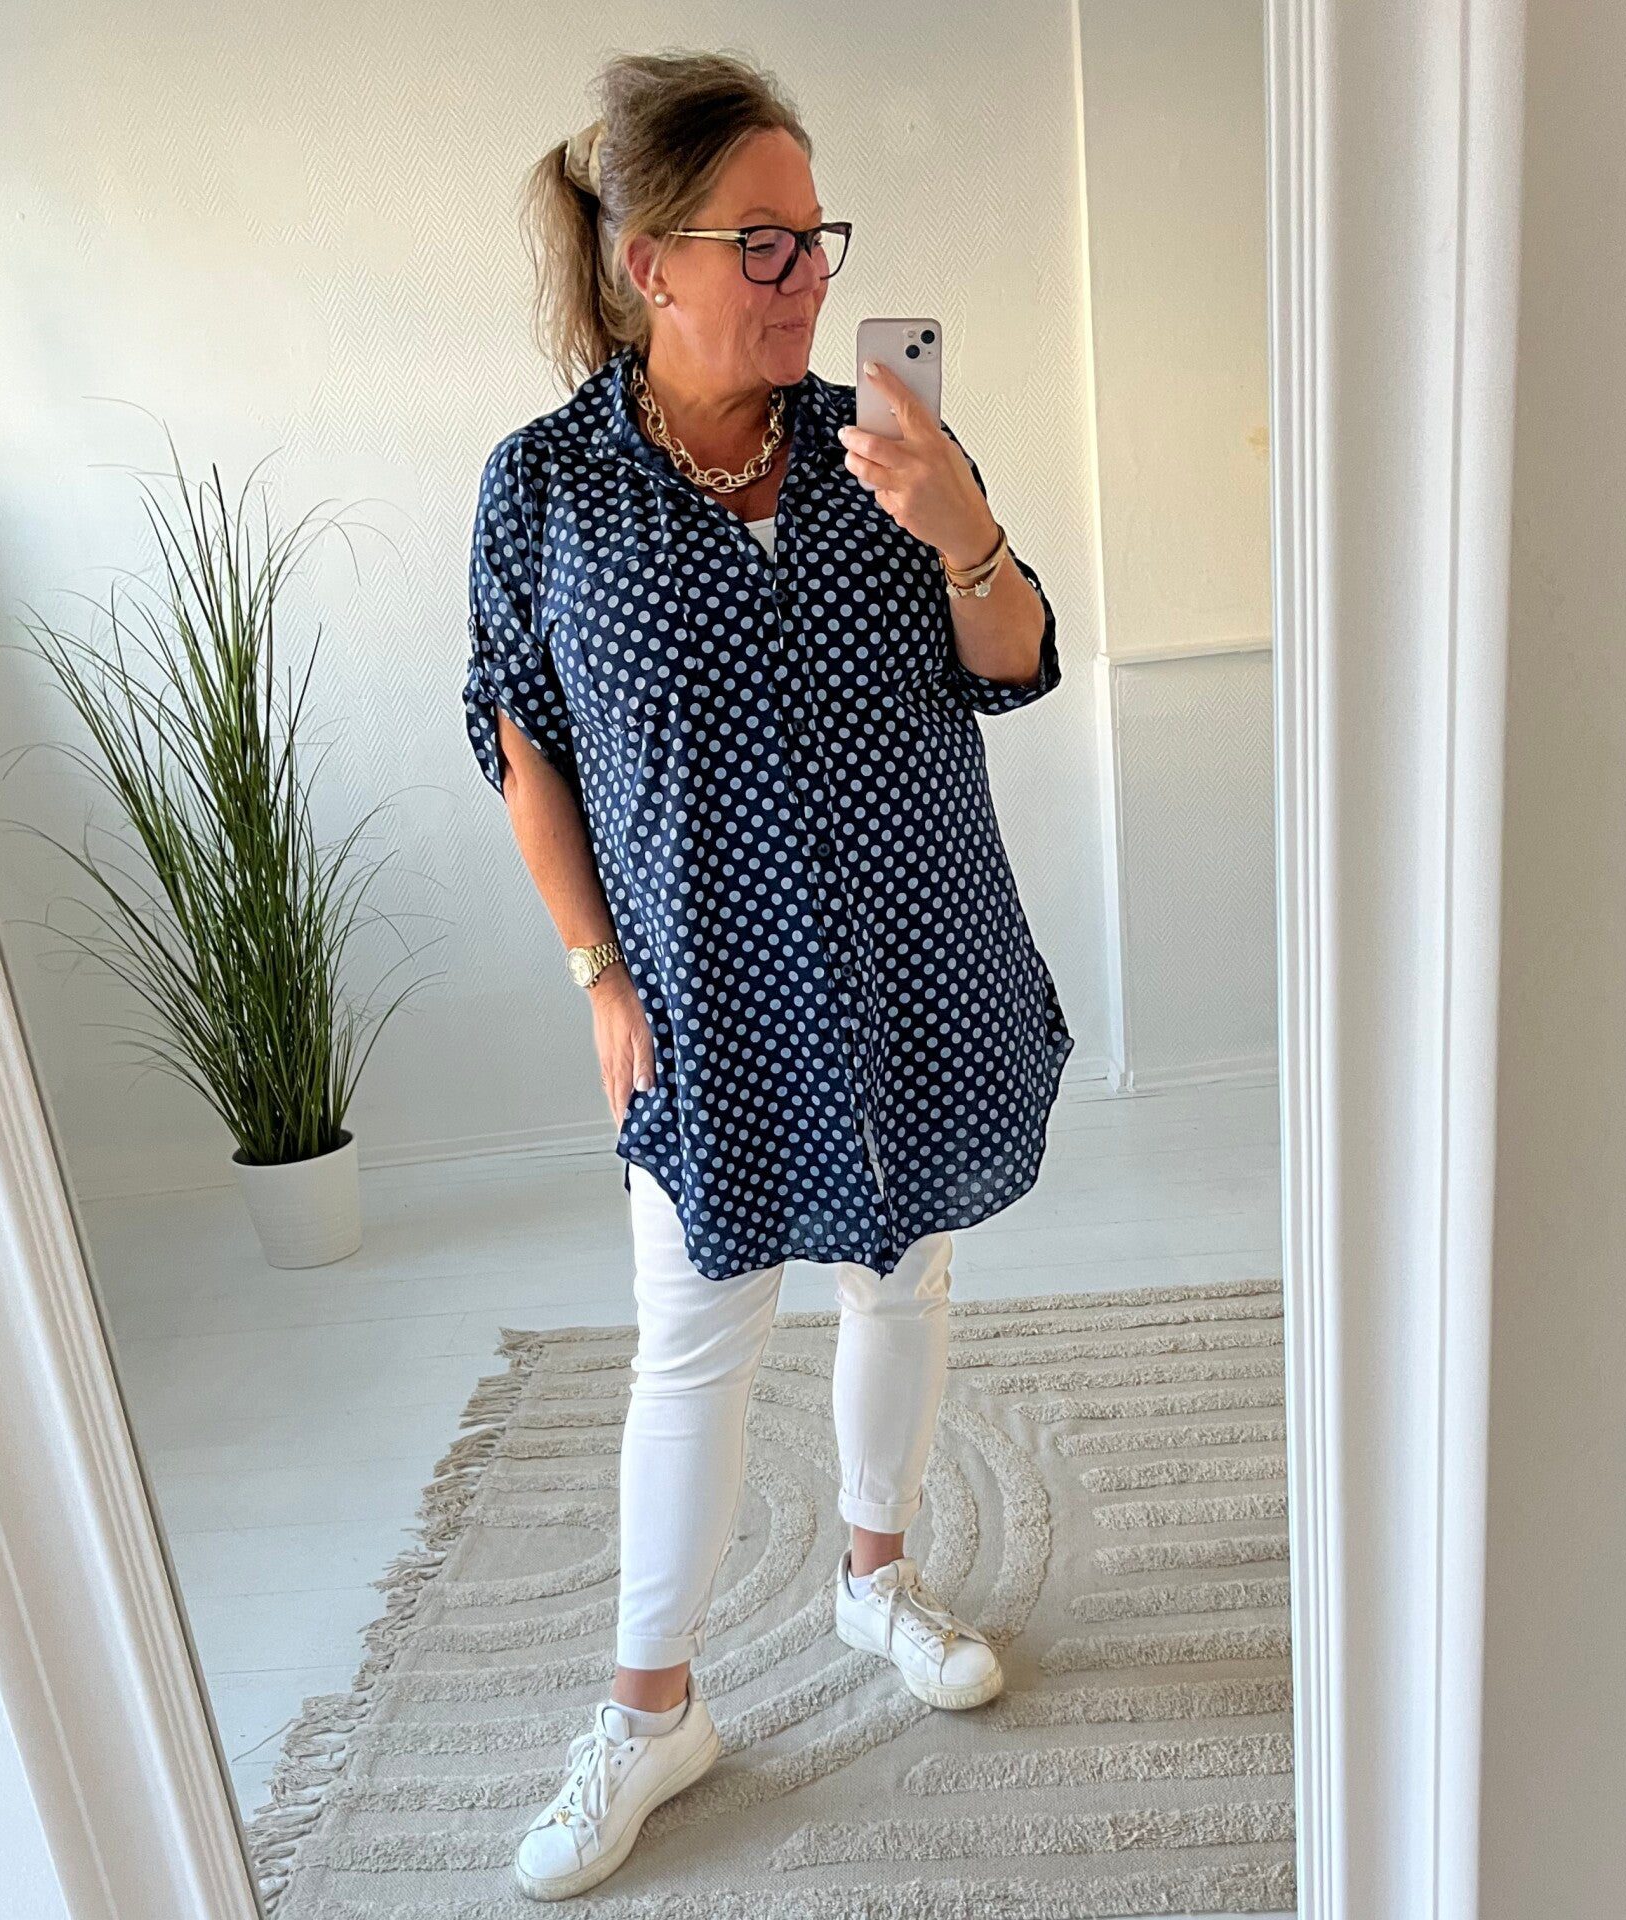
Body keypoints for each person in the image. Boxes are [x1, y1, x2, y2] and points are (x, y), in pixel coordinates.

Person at [459, 49, 1073, 1903]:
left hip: (914, 950)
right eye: (766, 241)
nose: (807, 274)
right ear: (650, 261)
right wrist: (597, 976)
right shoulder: (544, 490)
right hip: (708, 992)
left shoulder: (884, 447)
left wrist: (960, 523)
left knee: (903, 1274)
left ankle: (878, 1577)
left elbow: (1017, 657)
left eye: (819, 236)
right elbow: (522, 741)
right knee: (697, 1341)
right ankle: (653, 1711)